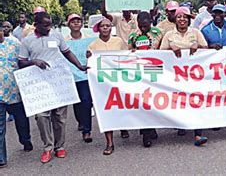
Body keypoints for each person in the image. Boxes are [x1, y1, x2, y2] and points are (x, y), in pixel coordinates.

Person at [18, 12, 87, 163]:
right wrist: (34, 61)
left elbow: (67, 52)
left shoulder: (56, 36)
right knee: (42, 117)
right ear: (36, 25)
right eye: (45, 25)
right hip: (40, 85)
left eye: (50, 24)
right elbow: (21, 62)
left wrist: (79, 66)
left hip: (58, 82)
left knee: (60, 117)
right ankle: (47, 147)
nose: (49, 27)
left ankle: (59, 146)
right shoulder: (27, 41)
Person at [160, 7, 208, 146]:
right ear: (175, 19)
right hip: (175, 75)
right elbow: (160, 54)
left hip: (194, 75)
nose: (182, 20)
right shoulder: (169, 35)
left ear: (189, 19)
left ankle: (198, 134)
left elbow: (207, 50)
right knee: (179, 100)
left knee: (196, 100)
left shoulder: (196, 33)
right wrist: (171, 49)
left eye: (185, 17)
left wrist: (197, 45)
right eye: (179, 17)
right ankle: (182, 125)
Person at [87, 17, 129, 155]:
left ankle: (123, 127)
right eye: (102, 26)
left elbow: (126, 57)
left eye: (108, 26)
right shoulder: (93, 46)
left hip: (118, 81)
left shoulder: (119, 41)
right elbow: (90, 65)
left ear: (112, 28)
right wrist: (89, 57)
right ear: (98, 28)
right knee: (106, 111)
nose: (105, 28)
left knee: (121, 106)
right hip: (102, 84)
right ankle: (109, 143)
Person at [200, 4, 226, 137]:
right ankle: (216, 120)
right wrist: (210, 47)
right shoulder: (206, 30)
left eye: (221, 13)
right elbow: (202, 48)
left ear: (225, 14)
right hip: (213, 68)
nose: (217, 16)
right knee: (215, 95)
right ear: (211, 14)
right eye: (215, 13)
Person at [1, 22, 34, 168]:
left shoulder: (15, 44)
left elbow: (23, 62)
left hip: (15, 91)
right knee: (0, 127)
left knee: (21, 120)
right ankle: (1, 158)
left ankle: (25, 140)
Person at [128, 11, 162, 147]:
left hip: (154, 70)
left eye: (145, 25)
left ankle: (151, 127)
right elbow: (128, 52)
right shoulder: (132, 36)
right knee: (144, 101)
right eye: (140, 26)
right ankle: (147, 133)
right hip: (140, 72)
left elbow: (164, 49)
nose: (142, 28)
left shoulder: (158, 33)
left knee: (154, 100)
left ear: (150, 21)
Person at [64, 14, 93, 143]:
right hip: (71, 75)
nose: (75, 23)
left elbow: (95, 53)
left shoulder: (90, 39)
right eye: (72, 22)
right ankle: (80, 121)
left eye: (78, 21)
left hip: (85, 74)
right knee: (77, 102)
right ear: (68, 24)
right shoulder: (64, 41)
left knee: (86, 100)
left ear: (81, 24)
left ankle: (87, 131)